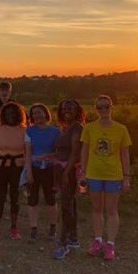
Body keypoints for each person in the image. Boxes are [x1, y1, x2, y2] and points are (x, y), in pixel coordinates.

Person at [80, 95, 132, 261]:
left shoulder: (121, 129)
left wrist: (126, 177)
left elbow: (125, 154)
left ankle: (110, 244)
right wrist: (82, 171)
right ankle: (97, 241)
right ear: (96, 109)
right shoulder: (89, 128)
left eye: (106, 107)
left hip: (113, 175)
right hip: (93, 173)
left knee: (111, 210)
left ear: (111, 108)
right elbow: (85, 151)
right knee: (96, 209)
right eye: (100, 107)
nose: (103, 110)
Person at [0, 102, 27, 242]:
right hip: (0, 167)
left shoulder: (23, 130)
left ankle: (14, 227)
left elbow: (28, 151)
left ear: (18, 115)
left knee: (15, 198)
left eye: (13, 113)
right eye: (7, 113)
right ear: (3, 115)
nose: (10, 116)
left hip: (17, 167)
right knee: (0, 197)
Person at [52, 100, 85, 259]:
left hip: (69, 171)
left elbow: (75, 154)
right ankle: (73, 238)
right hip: (62, 169)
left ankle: (63, 242)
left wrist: (66, 172)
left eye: (70, 108)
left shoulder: (77, 128)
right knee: (71, 205)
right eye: (64, 108)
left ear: (77, 110)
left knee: (65, 205)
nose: (66, 111)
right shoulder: (65, 127)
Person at [25, 103, 61, 242]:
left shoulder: (56, 131)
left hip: (50, 169)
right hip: (34, 168)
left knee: (50, 199)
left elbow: (59, 152)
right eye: (34, 113)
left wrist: (47, 156)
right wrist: (28, 172)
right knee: (32, 199)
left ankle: (53, 227)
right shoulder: (29, 131)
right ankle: (33, 228)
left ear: (46, 114)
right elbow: (27, 152)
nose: (37, 116)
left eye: (39, 112)